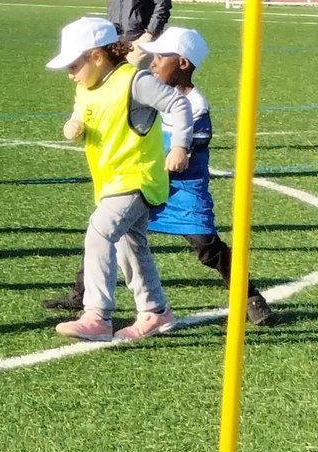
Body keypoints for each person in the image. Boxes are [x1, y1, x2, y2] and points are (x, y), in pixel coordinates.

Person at [41, 27, 274, 326]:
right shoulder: (133, 86)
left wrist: (178, 148)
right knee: (113, 233)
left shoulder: (195, 104)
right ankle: (90, 295)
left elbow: (184, 136)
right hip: (143, 177)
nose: (153, 62)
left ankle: (248, 295)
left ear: (183, 64)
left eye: (161, 57)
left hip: (181, 187)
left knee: (206, 246)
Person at [46, 16, 193, 342]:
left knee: (99, 233)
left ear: (97, 56)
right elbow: (81, 114)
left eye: (73, 65)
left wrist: (180, 145)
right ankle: (155, 311)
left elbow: (177, 103)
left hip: (137, 178)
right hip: (110, 182)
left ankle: (96, 315)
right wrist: (74, 126)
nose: (70, 75)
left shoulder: (134, 81)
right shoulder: (86, 87)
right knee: (131, 245)